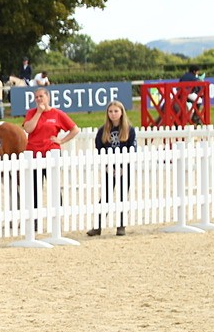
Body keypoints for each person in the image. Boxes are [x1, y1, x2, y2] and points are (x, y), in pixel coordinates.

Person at [23, 87, 80, 225]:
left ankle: (57, 216)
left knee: (53, 186)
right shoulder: (31, 113)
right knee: (34, 187)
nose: (38, 99)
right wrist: (39, 113)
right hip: (34, 153)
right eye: (36, 97)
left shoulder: (57, 114)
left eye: (41, 96)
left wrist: (61, 140)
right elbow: (28, 128)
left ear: (47, 97)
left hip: (51, 153)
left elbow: (75, 129)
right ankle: (34, 220)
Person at [87, 100, 137, 237]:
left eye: (116, 111)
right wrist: (108, 166)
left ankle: (121, 226)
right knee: (105, 197)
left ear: (121, 113)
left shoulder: (129, 130)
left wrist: (123, 167)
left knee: (122, 196)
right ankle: (97, 226)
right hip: (109, 169)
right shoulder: (103, 131)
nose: (113, 114)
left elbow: (132, 149)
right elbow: (99, 149)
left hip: (124, 169)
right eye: (110, 111)